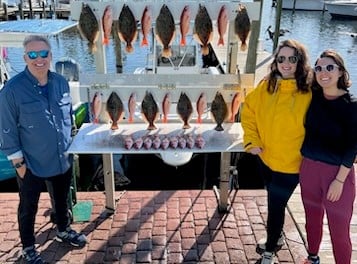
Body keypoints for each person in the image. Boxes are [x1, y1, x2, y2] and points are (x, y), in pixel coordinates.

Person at [0, 35, 87, 264]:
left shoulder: (60, 82)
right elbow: (7, 130)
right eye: (33, 55)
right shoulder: (12, 90)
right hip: (31, 162)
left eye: (44, 54)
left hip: (61, 157)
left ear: (51, 55)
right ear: (25, 58)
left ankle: (63, 230)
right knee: (28, 206)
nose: (39, 59)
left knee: (61, 198)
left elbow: (67, 117)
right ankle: (28, 247)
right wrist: (19, 165)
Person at [241, 39, 312, 264]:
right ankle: (277, 234)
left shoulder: (310, 90)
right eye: (281, 58)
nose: (286, 63)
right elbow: (248, 111)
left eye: (292, 58)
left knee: (275, 205)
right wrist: (251, 141)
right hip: (265, 158)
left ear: (300, 61)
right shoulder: (267, 85)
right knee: (274, 200)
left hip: (292, 164)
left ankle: (270, 250)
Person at [300, 50, 357, 264]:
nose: (324, 72)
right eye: (319, 68)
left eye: (330, 67)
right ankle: (313, 257)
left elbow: (352, 147)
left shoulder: (352, 105)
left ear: (341, 71)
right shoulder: (313, 96)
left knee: (339, 230)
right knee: (312, 220)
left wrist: (339, 181)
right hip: (309, 170)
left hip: (337, 174)